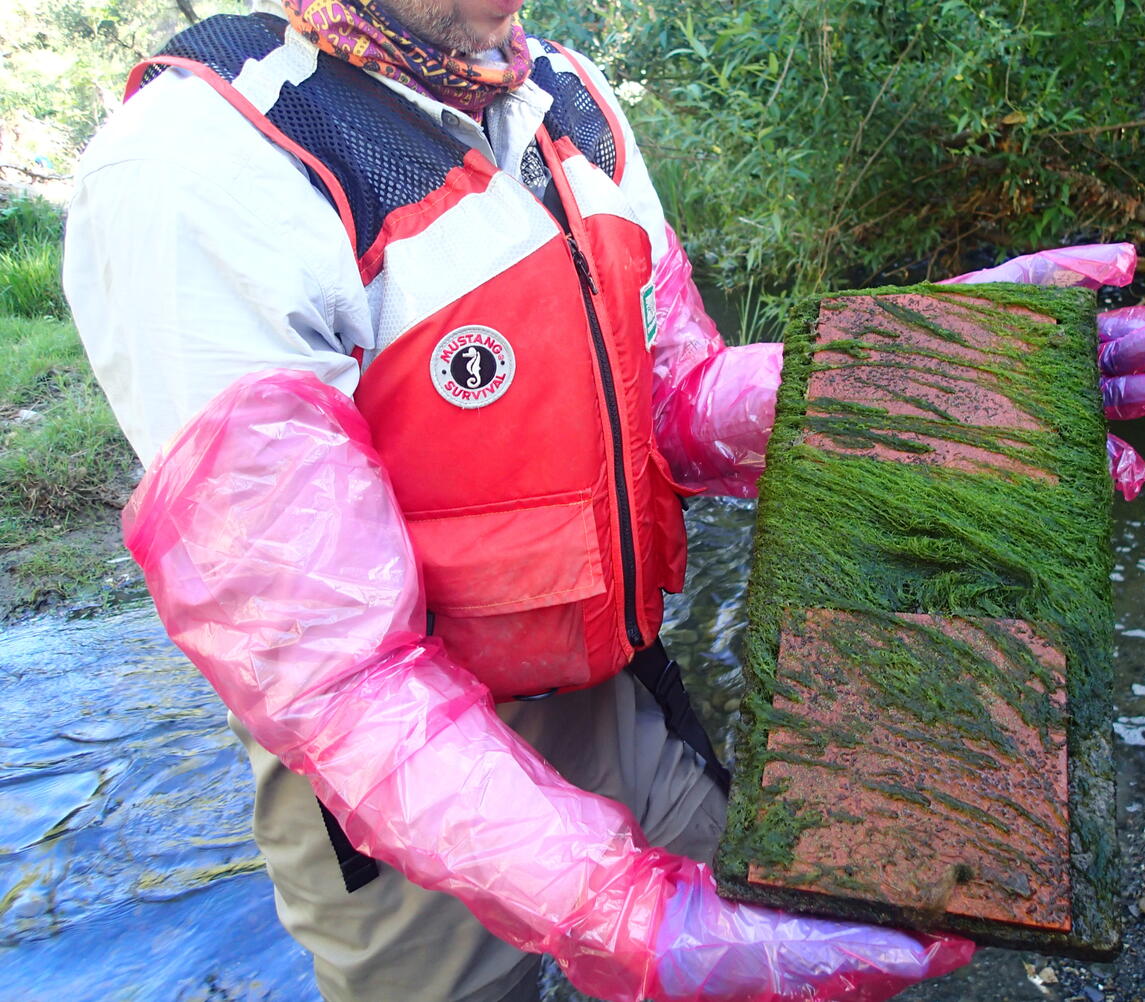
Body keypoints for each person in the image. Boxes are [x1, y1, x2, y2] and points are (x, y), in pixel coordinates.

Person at [64, 0, 977, 999]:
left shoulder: (571, 97)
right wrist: (630, 916)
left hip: (608, 693)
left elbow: (666, 396)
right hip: (381, 791)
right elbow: (334, 675)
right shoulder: (197, 164)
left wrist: (902, 384)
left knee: (787, 940)